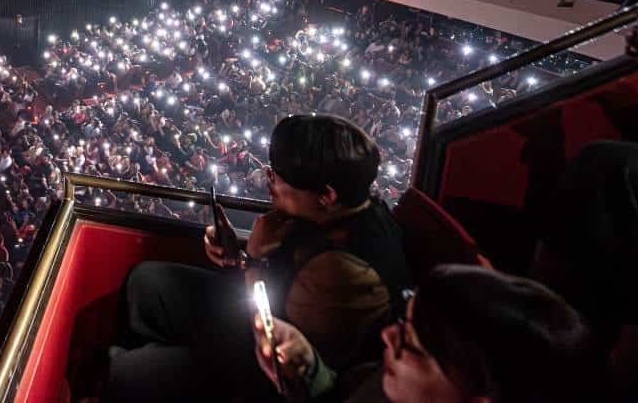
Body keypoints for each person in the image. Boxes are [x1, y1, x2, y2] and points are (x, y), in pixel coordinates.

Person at [107, 114, 409, 401]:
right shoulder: (341, 206)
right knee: (145, 282)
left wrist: (252, 258)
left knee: (126, 372)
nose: (269, 180)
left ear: (326, 195)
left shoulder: (342, 271)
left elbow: (269, 330)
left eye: (278, 176)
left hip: (271, 365)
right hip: (259, 305)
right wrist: (235, 251)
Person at [252, 265, 601, 402]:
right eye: (403, 321)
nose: (388, 335)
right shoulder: (387, 384)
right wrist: (310, 372)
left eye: (411, 343)